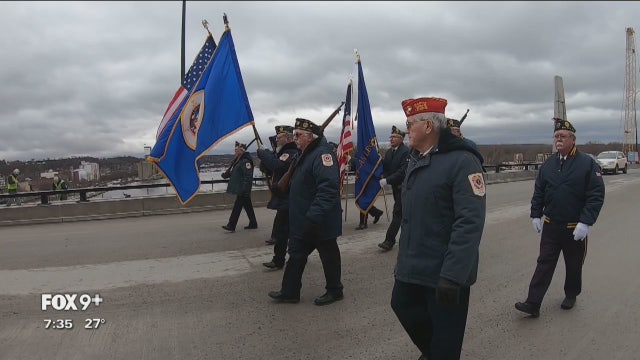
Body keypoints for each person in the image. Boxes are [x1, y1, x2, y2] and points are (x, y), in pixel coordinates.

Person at [391, 97, 486, 360]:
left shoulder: (463, 161)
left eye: (411, 123)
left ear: (429, 126)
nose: (406, 127)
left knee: (447, 341)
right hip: (414, 265)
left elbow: (470, 222)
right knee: (401, 304)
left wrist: (453, 275)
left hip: (445, 270)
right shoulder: (415, 158)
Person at [515, 118, 605, 318]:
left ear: (573, 139)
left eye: (563, 136)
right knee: (544, 263)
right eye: (556, 136)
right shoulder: (549, 164)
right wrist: (535, 214)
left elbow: (595, 195)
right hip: (551, 226)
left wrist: (585, 222)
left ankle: (571, 294)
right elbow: (539, 191)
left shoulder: (587, 164)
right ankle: (533, 302)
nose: (558, 140)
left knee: (573, 265)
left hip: (575, 227)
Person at [268, 118, 344, 306]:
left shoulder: (322, 155)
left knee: (328, 255)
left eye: (299, 135)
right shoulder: (304, 154)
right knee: (296, 255)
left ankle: (335, 291)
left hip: (319, 219)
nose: (295, 139)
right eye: (294, 135)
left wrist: (314, 216)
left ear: (311, 137)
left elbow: (328, 188)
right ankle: (290, 291)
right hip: (303, 218)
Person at [257, 125, 298, 270]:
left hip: (289, 198)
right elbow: (268, 168)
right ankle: (285, 258)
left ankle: (281, 259)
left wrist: (263, 154)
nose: (277, 139)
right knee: (286, 232)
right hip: (285, 198)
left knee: (284, 232)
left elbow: (278, 167)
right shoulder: (283, 152)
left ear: (288, 138)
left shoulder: (290, 152)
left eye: (279, 137)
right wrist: (265, 157)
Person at [377, 125, 410, 251]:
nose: (391, 139)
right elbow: (386, 167)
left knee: (398, 213)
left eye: (394, 137)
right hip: (396, 188)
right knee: (403, 214)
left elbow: (402, 171)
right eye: (390, 137)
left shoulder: (405, 152)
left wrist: (388, 180)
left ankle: (389, 240)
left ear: (401, 139)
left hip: (405, 188)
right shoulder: (390, 152)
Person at [221, 141, 258, 232]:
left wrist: (245, 190)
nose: (235, 151)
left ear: (241, 150)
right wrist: (227, 174)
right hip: (242, 188)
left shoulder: (245, 161)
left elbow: (248, 176)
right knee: (247, 206)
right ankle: (253, 223)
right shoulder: (239, 160)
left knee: (237, 207)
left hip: (243, 188)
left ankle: (231, 225)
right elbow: (237, 173)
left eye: (236, 149)